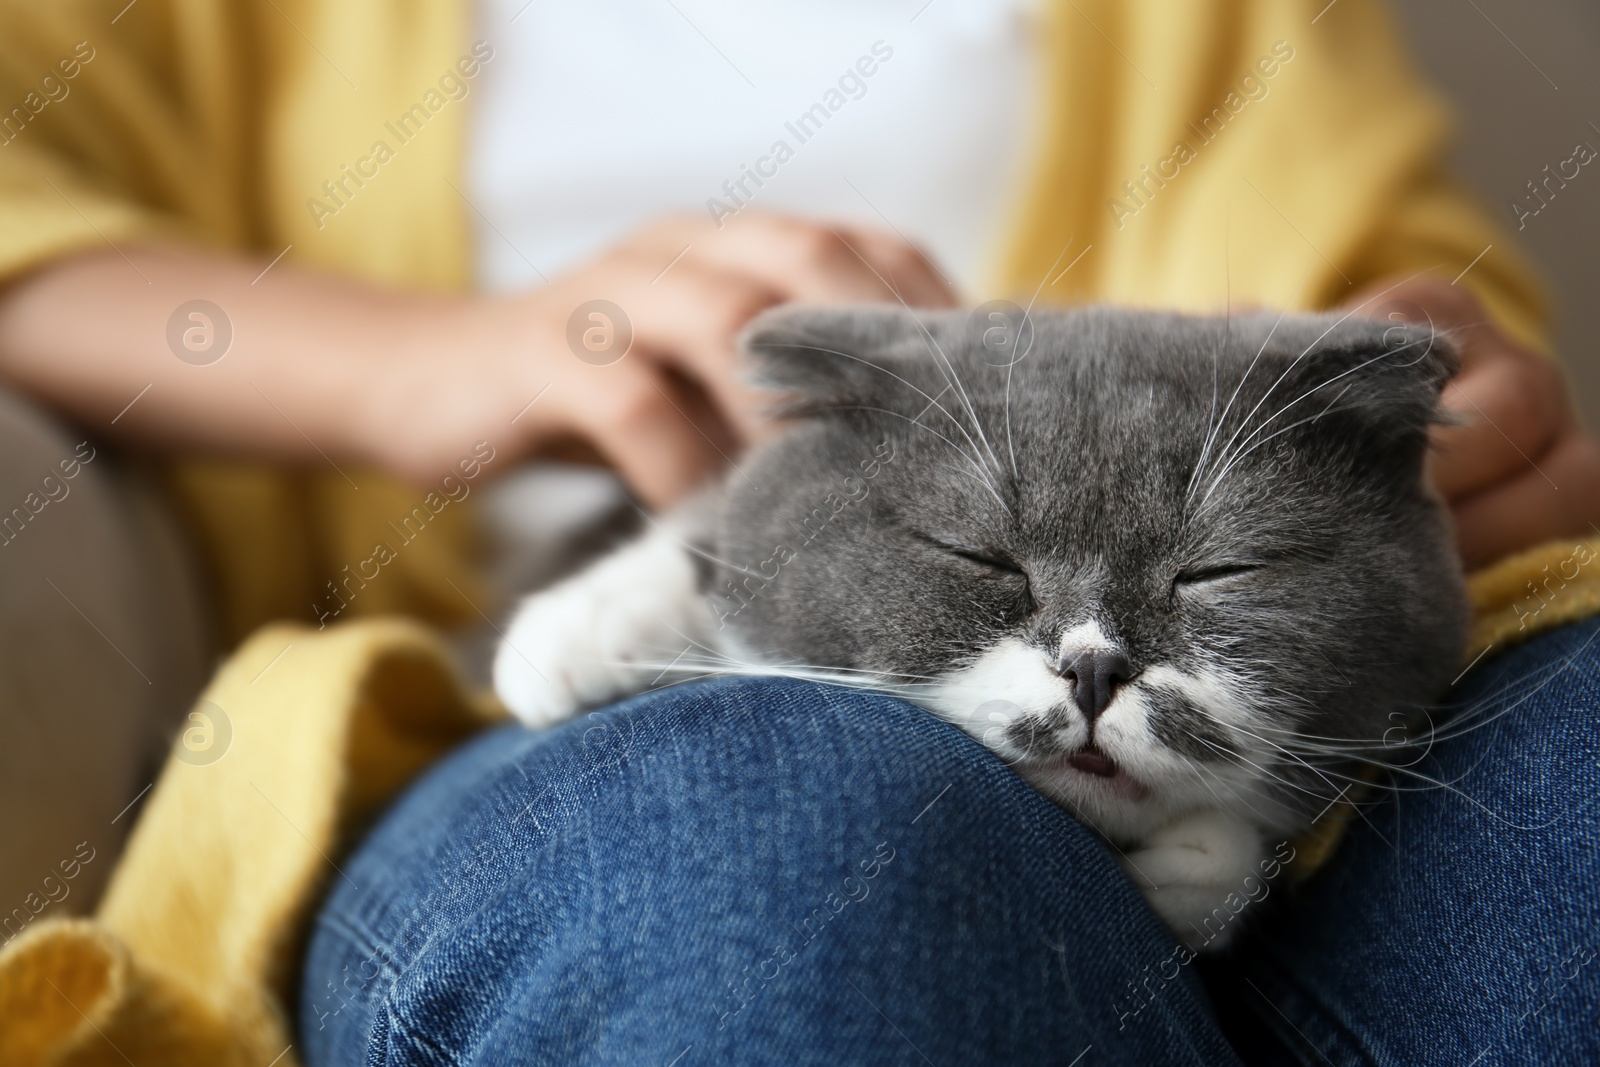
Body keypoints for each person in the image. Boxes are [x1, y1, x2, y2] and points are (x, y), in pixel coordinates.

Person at [0, 0, 1595, 1061]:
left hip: (1271, 760)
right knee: (796, 824)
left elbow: (1413, 284)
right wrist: (418, 362)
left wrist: (1421, 393)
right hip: (577, 711)